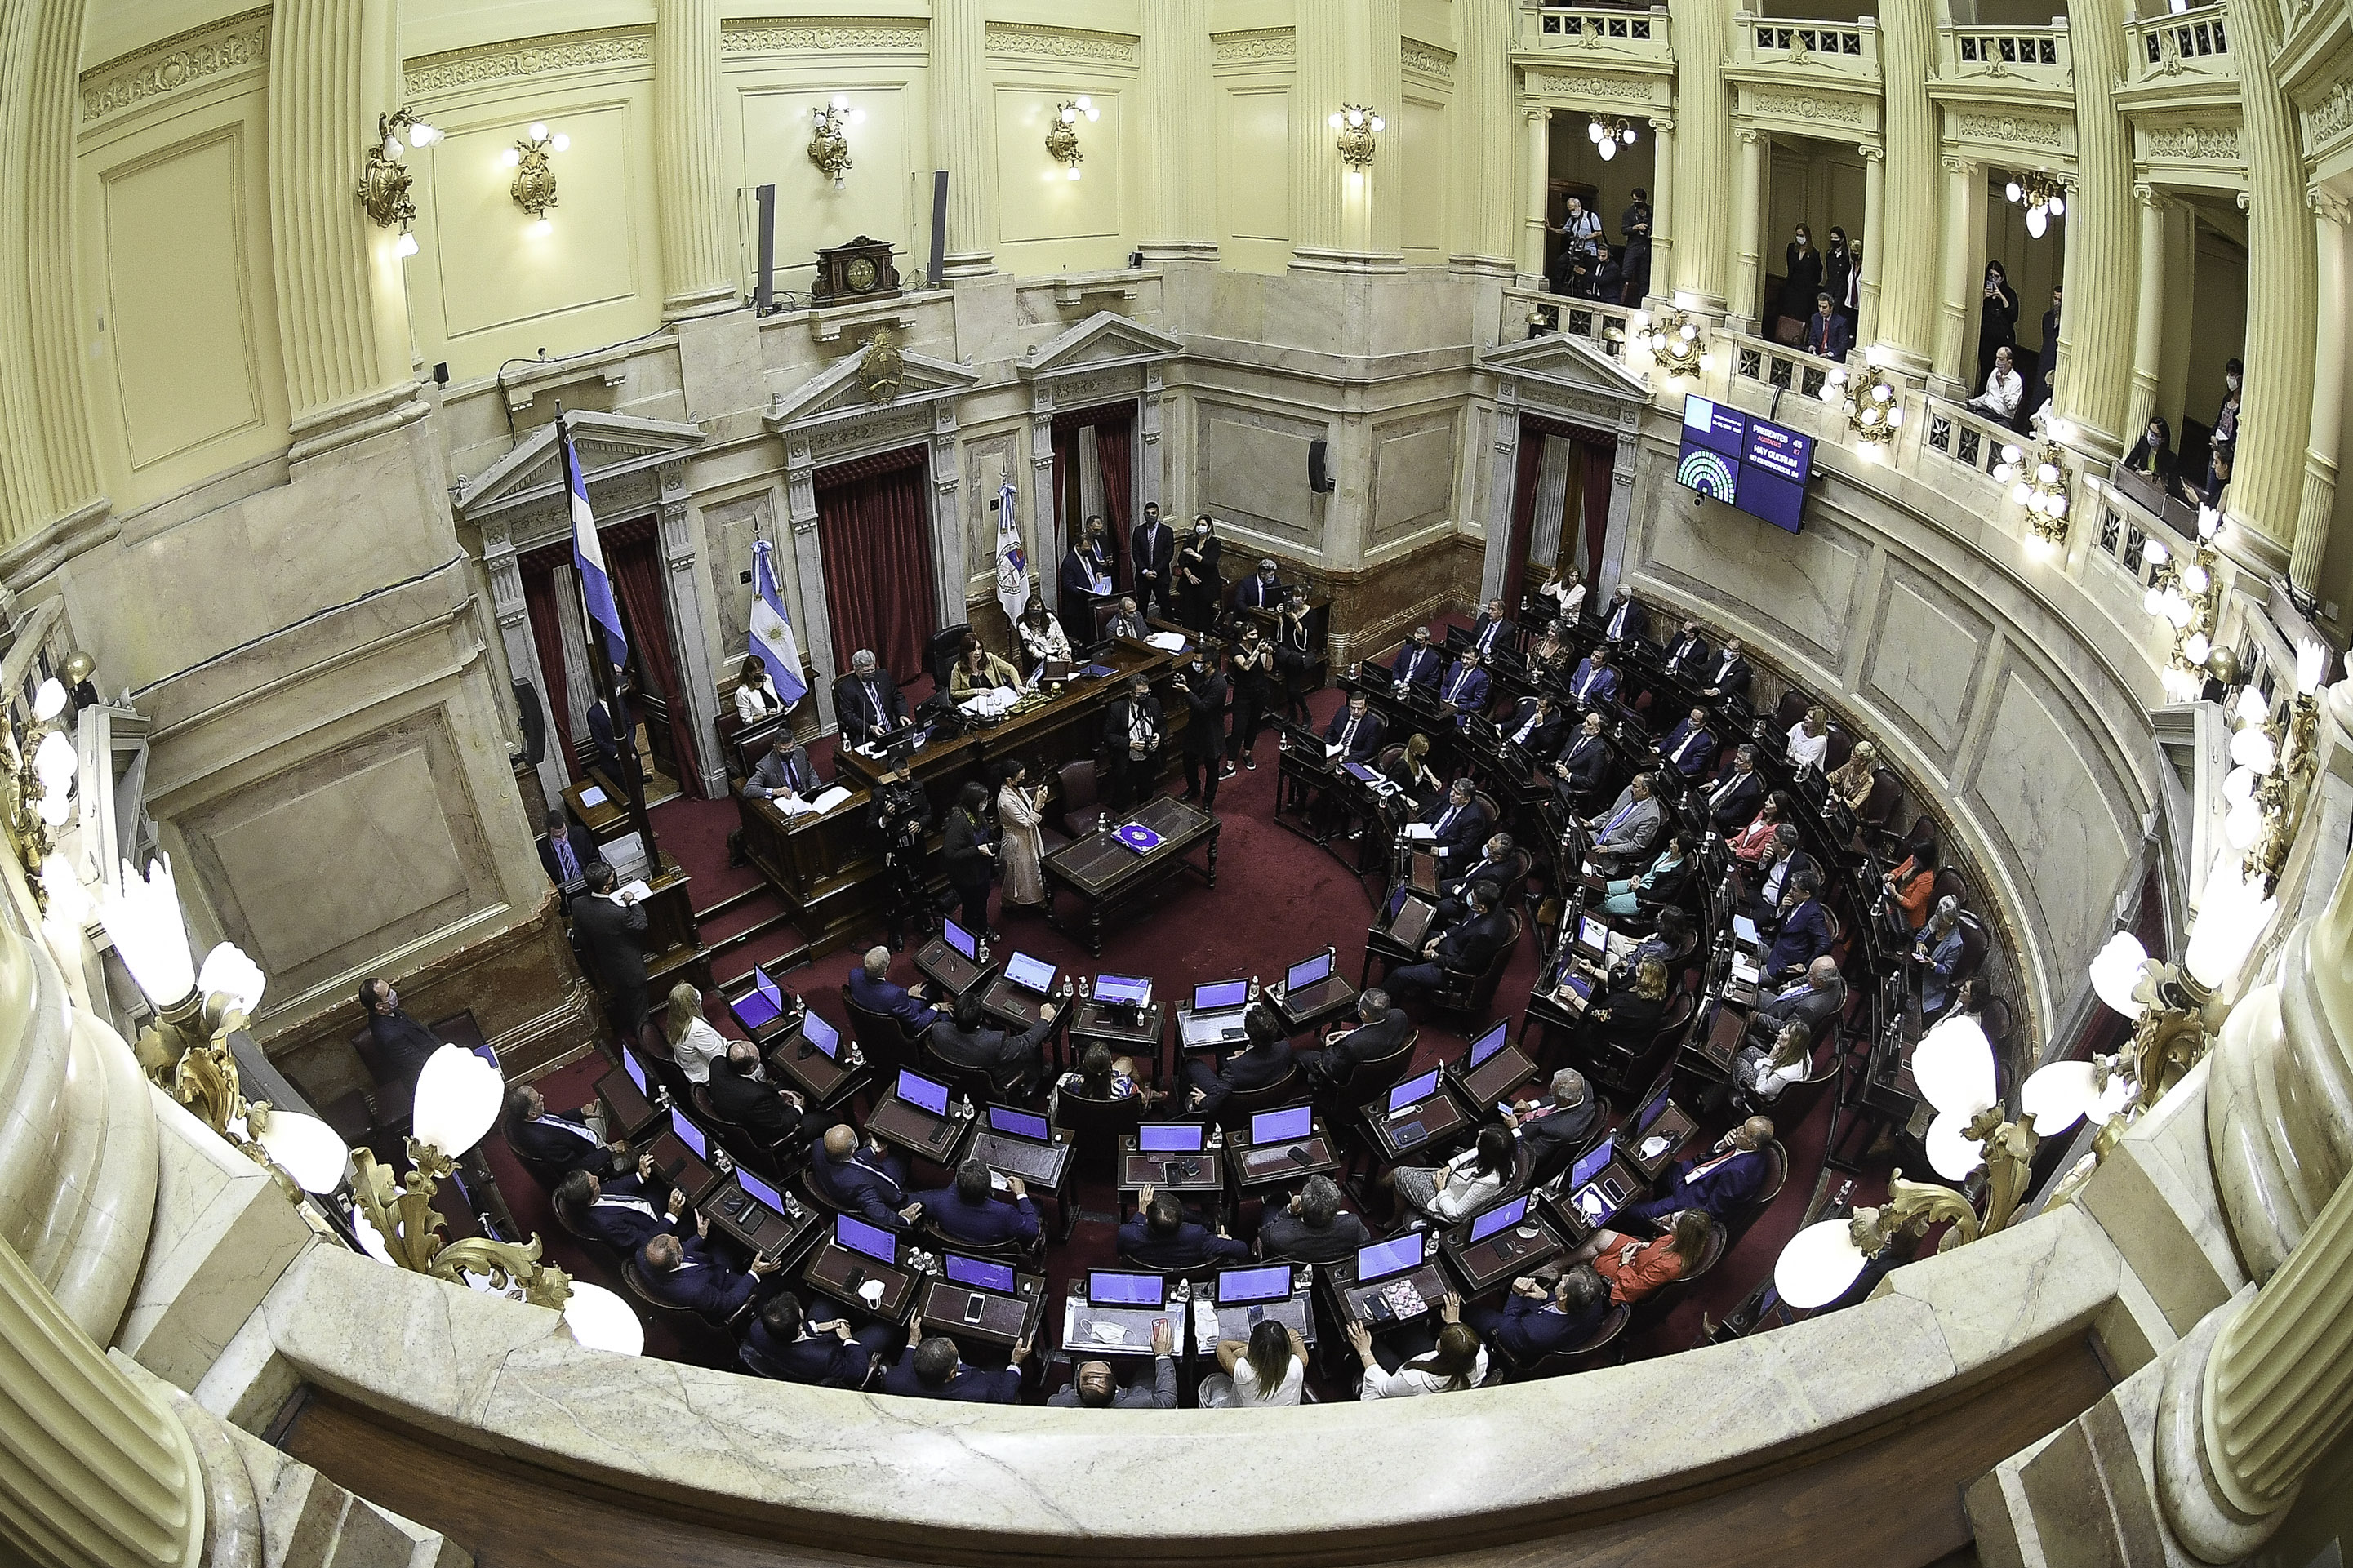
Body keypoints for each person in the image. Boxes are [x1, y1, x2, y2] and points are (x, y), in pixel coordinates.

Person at [1620, 1120, 1775, 1228]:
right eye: (1743, 1125)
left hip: (1689, 1200)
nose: (1738, 1129)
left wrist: (1677, 1217)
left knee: (1633, 1211)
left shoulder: (1739, 1174)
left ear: (1753, 1144)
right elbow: (1709, 1157)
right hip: (1689, 1175)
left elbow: (1713, 1212)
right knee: (1650, 1162)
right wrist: (1722, 1144)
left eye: (1743, 1131)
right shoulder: (1745, 1145)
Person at [741, 1291, 896, 1389]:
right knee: (888, 1327)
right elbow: (858, 1372)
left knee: (829, 1296)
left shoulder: (757, 1328)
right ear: (799, 1324)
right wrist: (848, 1339)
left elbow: (788, 1332)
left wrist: (817, 1327)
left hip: (803, 1346)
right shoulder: (825, 1358)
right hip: (841, 1354)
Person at [1387, 880, 1513, 1002]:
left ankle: (1380, 1005)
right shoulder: (1493, 904)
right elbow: (1464, 925)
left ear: (1481, 907)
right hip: (1454, 943)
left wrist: (1435, 956)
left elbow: (1464, 964)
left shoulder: (1484, 934)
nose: (1468, 896)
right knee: (1414, 932)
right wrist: (1440, 937)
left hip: (1450, 971)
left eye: (1472, 897)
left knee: (1400, 974)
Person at [571, 862, 652, 1039]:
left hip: (607, 969)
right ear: (607, 887)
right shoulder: (617, 914)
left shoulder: (578, 905)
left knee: (626, 1006)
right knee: (640, 1016)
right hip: (631, 971)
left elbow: (582, 939)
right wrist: (633, 901)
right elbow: (641, 923)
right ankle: (647, 1044)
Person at [928, 990, 1059, 1099]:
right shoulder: (994, 1043)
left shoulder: (938, 1030)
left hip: (959, 1075)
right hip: (995, 1081)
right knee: (1032, 1050)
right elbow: (1026, 1042)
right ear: (980, 1018)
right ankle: (1033, 1085)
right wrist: (1044, 1020)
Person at [1467, 1266, 1610, 1364]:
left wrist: (1516, 1293)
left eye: (1565, 1281)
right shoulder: (1593, 1300)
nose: (1564, 1276)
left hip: (1521, 1337)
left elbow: (1507, 1326)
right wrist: (1547, 1296)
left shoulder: (1535, 1332)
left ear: (1564, 1296)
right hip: (1558, 1326)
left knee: (1475, 1315)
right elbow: (1566, 1305)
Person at [1570, 1207, 1713, 1304]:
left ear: (1682, 1234)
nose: (1671, 1220)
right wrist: (1645, 1246)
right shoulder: (1682, 1241)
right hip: (1637, 1257)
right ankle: (1561, 1264)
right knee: (1602, 1236)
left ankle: (1562, 1266)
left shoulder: (1668, 1266)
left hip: (1628, 1276)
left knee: (1594, 1257)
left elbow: (1634, 1288)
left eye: (1674, 1222)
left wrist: (1625, 1263)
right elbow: (1655, 1246)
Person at [707, 1040, 830, 1150]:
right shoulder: (755, 1097)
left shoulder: (717, 1063)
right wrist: (797, 1108)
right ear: (751, 1069)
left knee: (786, 1083)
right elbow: (780, 1127)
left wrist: (776, 1096)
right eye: (758, 1058)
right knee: (827, 1117)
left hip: (739, 1106)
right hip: (763, 1132)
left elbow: (755, 1092)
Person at [1183, 1002, 1297, 1119]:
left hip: (1236, 1102)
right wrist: (1247, 1054)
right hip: (1266, 1088)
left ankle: (1182, 1108)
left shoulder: (1234, 1068)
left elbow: (1210, 1105)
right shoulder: (1285, 1048)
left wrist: (1204, 1100)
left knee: (1192, 1064)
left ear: (1247, 1031)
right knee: (1223, 1054)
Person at [1349, 1304, 1487, 1398]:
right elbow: (1461, 1347)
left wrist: (1365, 1351)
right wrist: (1454, 1324)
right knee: (1411, 1329)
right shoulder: (1481, 1356)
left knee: (1373, 1345)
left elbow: (1381, 1387)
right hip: (1428, 1369)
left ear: (1439, 1348)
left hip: (1399, 1388)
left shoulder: (1414, 1380)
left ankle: (1352, 1365)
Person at [1386, 1123, 1515, 1224]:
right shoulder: (1503, 1157)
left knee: (1398, 1173)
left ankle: (1376, 1188)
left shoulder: (1488, 1182)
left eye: (1482, 1136)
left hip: (1443, 1200)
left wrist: (1441, 1190)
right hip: (1452, 1180)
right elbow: (1476, 1151)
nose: (1479, 1132)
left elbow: (1456, 1213)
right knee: (1400, 1184)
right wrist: (1449, 1167)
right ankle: (1395, 1219)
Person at [638, 1228, 778, 1319]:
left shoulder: (643, 1256)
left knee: (724, 1240)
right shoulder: (696, 1291)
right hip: (722, 1288)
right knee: (772, 1282)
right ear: (677, 1262)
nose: (676, 1237)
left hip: (707, 1268)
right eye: (677, 1243)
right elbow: (728, 1303)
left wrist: (699, 1237)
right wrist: (753, 1273)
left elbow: (676, 1253)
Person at [869, 758, 934, 949]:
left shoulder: (917, 787)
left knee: (918, 887)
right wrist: (885, 818)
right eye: (902, 777)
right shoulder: (880, 794)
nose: (907, 779)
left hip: (914, 846)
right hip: (892, 849)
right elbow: (871, 825)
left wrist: (919, 823)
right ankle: (896, 931)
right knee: (894, 894)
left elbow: (928, 813)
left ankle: (922, 921)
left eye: (908, 775)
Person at [554, 1158, 683, 1255]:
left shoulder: (589, 1195)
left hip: (646, 1202)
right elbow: (644, 1241)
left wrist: (640, 1176)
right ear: (590, 1200)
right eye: (594, 1183)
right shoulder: (608, 1226)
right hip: (655, 1225)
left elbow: (616, 1186)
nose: (597, 1178)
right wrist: (671, 1216)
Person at [885, 1317, 1029, 1403]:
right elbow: (1004, 1398)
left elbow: (904, 1368)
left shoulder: (894, 1380)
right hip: (986, 1376)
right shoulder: (979, 1392)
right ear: (952, 1374)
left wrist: (912, 1341)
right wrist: (1015, 1362)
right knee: (998, 1366)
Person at [810, 1125, 924, 1233]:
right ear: (853, 1150)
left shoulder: (818, 1146)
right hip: (891, 1194)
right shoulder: (861, 1189)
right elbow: (883, 1218)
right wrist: (905, 1220)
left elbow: (846, 1160)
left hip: (867, 1176)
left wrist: (872, 1149)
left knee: (900, 1142)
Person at [913, 1157, 1040, 1249]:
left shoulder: (939, 1201)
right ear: (989, 1189)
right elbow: (1032, 1231)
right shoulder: (1006, 1213)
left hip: (958, 1241)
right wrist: (1021, 1194)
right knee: (1036, 1204)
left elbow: (908, 1201)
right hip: (993, 1247)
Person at [1050, 1320, 1177, 1408]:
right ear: (1117, 1387)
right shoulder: (1142, 1401)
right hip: (1133, 1399)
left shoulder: (1058, 1403)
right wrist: (1163, 1355)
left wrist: (1066, 1390)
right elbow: (1168, 1399)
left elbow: (1065, 1388)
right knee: (1149, 1372)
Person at [504, 1083, 623, 1177]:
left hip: (581, 1135)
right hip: (594, 1155)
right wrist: (610, 1149)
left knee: (606, 1098)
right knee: (631, 1149)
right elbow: (579, 1167)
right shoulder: (546, 1144)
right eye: (538, 1099)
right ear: (532, 1113)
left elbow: (557, 1121)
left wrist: (581, 1112)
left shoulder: (522, 1115)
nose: (542, 1096)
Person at [1503, 1068, 1601, 1179]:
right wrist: (1531, 1105)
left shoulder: (1558, 1131)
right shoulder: (1584, 1087)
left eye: (1552, 1093)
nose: (1549, 1093)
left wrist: (1514, 1129)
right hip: (1534, 1118)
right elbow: (1555, 1098)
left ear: (1565, 1101)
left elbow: (1531, 1155)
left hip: (1517, 1145)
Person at [1119, 1188, 1249, 1268]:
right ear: (1182, 1221)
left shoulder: (1127, 1234)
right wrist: (1223, 1240)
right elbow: (1242, 1249)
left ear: (1147, 1219)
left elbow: (1121, 1253)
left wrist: (1140, 1214)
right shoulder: (1196, 1235)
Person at [1257, 1174, 1373, 1264]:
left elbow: (1264, 1233)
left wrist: (1289, 1210)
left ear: (1302, 1208)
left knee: (1272, 1204)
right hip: (1328, 1269)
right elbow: (1366, 1247)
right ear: (1335, 1210)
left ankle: (1279, 1197)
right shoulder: (1353, 1225)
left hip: (1296, 1268)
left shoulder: (1277, 1235)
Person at [1198, 1318, 1307, 1407]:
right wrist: (1276, 1345)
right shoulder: (1298, 1364)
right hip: (1281, 1421)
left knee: (1213, 1381)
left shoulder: (1242, 1370)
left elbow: (1222, 1346)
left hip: (1239, 1419)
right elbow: (1295, 1336)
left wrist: (1250, 1349)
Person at [358, 976, 441, 1090]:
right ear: (379, 1006)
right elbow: (420, 1063)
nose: (394, 993)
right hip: (429, 1080)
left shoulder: (387, 1010)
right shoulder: (390, 1037)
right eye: (388, 993)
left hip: (436, 1055)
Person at [940, 781, 999, 939]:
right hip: (966, 876)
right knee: (971, 907)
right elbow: (950, 853)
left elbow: (984, 832)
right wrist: (977, 850)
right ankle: (971, 936)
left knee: (982, 901)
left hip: (981, 870)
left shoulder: (976, 813)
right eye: (983, 801)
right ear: (973, 802)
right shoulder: (959, 823)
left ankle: (983, 927)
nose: (985, 804)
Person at [1749, 956, 1847, 1049]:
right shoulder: (1832, 972)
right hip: (1786, 1001)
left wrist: (1759, 1017)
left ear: (1820, 982)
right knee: (1751, 993)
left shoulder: (1809, 1007)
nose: (1807, 975)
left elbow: (1786, 1029)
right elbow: (1806, 978)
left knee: (1744, 1006)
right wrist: (1790, 984)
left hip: (1776, 1021)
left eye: (1811, 974)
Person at [1584, 956, 1670, 1061]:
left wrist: (1575, 998)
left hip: (1607, 1036)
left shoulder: (1633, 1006)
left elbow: (1601, 1017)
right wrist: (1592, 970)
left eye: (1639, 970)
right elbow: (1617, 980)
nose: (1634, 969)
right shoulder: (1648, 987)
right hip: (1612, 1014)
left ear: (1645, 979)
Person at [1174, 651, 1230, 806]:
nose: (1195, 663)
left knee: (1211, 768)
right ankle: (1193, 789)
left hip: (1211, 731)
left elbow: (1203, 707)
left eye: (1197, 661)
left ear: (1209, 663)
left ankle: (1208, 801)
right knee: (1188, 760)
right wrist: (1187, 684)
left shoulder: (1219, 683)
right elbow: (1197, 691)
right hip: (1195, 727)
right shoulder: (1201, 676)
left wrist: (1186, 691)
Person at [847, 946, 944, 1033]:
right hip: (896, 1029)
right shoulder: (895, 996)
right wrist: (936, 1007)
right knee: (933, 990)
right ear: (885, 971)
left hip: (871, 1016)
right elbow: (918, 1024)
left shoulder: (854, 974)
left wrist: (906, 993)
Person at [1102, 675, 1164, 810]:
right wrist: (1129, 744)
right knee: (1121, 798)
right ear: (1131, 693)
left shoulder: (1154, 703)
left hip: (1149, 760)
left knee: (1146, 795)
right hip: (1128, 763)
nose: (1145, 697)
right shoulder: (1117, 709)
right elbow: (1108, 735)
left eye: (1147, 693)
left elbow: (1162, 726)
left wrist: (1158, 736)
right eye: (1141, 694)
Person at [994, 762, 1049, 914]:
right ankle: (1012, 902)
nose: (1023, 780)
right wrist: (1038, 804)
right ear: (1009, 780)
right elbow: (1027, 823)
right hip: (1017, 842)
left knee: (1034, 869)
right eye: (1020, 778)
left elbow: (1029, 809)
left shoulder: (1019, 789)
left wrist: (1038, 799)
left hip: (1029, 836)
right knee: (1020, 875)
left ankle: (1038, 898)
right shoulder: (1005, 801)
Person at [1431, 833, 1516, 926]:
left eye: (1489, 848)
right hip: (1466, 881)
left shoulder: (1495, 876)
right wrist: (1474, 866)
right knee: (1433, 887)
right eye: (1489, 843)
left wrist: (1460, 892)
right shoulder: (1498, 857)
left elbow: (1478, 899)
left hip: (1466, 901)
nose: (1486, 847)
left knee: (1436, 907)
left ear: (1497, 857)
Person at [1764, 872, 1833, 983]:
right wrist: (1782, 908)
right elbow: (1783, 928)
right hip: (1774, 947)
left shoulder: (1813, 914)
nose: (1790, 892)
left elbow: (1825, 943)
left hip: (1783, 964)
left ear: (1806, 894)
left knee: (1747, 973)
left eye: (1794, 890)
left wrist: (1806, 966)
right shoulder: (1794, 900)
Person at [832, 649, 910, 747]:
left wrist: (902, 714)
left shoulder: (883, 675)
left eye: (872, 670)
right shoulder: (846, 688)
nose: (870, 673)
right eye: (866, 671)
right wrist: (869, 728)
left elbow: (897, 696)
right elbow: (848, 715)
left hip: (891, 725)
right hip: (868, 734)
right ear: (856, 670)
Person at [1586, 773, 1663, 869]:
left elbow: (1636, 846)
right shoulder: (1629, 791)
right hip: (1597, 836)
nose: (1631, 788)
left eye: (1635, 786)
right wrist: (1591, 823)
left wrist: (1609, 849)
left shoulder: (1651, 816)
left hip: (1609, 855)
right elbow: (1613, 812)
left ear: (1645, 791)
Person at [1600, 833, 1687, 918]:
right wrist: (1637, 874)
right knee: (1604, 888)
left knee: (1610, 904)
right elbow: (1648, 862)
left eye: (1674, 843)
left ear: (1680, 851)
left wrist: (1638, 890)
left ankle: (1599, 916)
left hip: (1643, 897)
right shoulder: (1667, 852)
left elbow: (1660, 894)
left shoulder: (1678, 872)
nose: (1670, 841)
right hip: (1637, 882)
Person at [1227, 621, 1276, 771]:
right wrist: (1257, 652)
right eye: (1252, 634)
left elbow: (1268, 668)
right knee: (1238, 728)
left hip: (1260, 693)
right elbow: (1246, 666)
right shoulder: (1236, 650)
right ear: (1244, 636)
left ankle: (1247, 753)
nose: (1256, 636)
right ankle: (1230, 763)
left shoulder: (1259, 649)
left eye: (1256, 634)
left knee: (1253, 724)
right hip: (1243, 695)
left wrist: (1268, 653)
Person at [1056, 1042, 1163, 1108]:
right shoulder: (1124, 1086)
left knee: (1126, 1062)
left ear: (1084, 1064)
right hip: (1115, 1127)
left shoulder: (1065, 1080)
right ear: (1111, 1065)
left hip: (1080, 1124)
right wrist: (1141, 1095)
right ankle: (1146, 1092)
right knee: (1127, 1063)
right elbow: (1140, 1104)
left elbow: (1054, 1109)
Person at [1750, 824, 1812, 935]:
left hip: (1771, 907)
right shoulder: (1773, 851)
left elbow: (1797, 894)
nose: (1770, 841)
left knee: (1748, 923)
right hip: (1758, 893)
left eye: (1775, 840)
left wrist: (1781, 909)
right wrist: (1764, 861)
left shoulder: (1800, 865)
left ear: (1784, 847)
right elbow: (1758, 876)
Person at [661, 982, 727, 1084]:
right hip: (710, 1077)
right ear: (693, 1003)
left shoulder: (675, 1020)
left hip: (694, 1071)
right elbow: (719, 1060)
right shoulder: (697, 1031)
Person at [1417, 778, 1490, 870]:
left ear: (1466, 799)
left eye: (1457, 794)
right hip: (1427, 838)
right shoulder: (1449, 795)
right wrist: (1427, 826)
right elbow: (1433, 811)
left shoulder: (1474, 818)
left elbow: (1464, 847)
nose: (1452, 794)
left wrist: (1440, 851)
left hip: (1445, 856)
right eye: (1453, 789)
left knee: (1419, 867)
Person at [1736, 1020, 1813, 1104]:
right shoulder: (1802, 1050)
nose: (1780, 1031)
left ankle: (1736, 1093)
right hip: (1773, 1073)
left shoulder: (1782, 1075)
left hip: (1764, 1093)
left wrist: (1770, 1058)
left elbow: (1760, 1089)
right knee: (1751, 1051)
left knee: (1738, 1063)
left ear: (1793, 1042)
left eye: (1785, 1032)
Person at [1059, 516, 1115, 629]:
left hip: (1095, 599)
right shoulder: (1069, 563)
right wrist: (1087, 594)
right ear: (1078, 546)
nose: (1087, 552)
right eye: (1085, 550)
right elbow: (1069, 586)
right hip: (1080, 605)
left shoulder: (1089, 552)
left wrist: (1099, 571)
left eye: (1089, 549)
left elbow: (1097, 565)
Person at [1915, 896, 1967, 1017]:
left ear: (1951, 921)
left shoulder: (1955, 943)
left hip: (1930, 982)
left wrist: (1933, 965)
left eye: (1942, 920)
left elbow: (1947, 970)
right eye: (1938, 917)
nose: (1939, 921)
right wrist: (1919, 942)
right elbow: (1921, 934)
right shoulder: (1936, 920)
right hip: (1915, 967)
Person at [1272, 586, 1315, 723]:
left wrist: (1295, 618)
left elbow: (1305, 636)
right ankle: (1292, 712)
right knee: (1289, 686)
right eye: (1293, 596)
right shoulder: (1288, 609)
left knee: (1293, 688)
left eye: (1298, 597)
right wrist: (1280, 616)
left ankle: (1306, 713)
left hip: (1299, 654)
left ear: (1305, 598)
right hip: (1287, 653)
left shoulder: (1311, 613)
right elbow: (1282, 634)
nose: (1294, 599)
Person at [1882, 839, 1941, 938]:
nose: (1912, 858)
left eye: (1916, 858)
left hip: (1906, 919)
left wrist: (1895, 894)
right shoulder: (1913, 859)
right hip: (1894, 902)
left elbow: (1911, 905)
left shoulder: (1927, 880)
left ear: (1923, 861)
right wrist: (1891, 876)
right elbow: (1899, 870)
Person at [744, 732, 822, 806]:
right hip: (787, 803)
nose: (788, 753)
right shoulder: (766, 766)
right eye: (783, 750)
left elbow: (810, 772)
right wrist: (776, 791)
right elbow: (748, 789)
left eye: (791, 748)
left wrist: (814, 787)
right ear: (775, 748)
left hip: (806, 797)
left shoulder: (800, 752)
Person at [1128, 501, 1175, 620]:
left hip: (1161, 576)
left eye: (1153, 513)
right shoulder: (1138, 531)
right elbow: (1136, 553)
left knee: (1165, 606)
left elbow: (1169, 555)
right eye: (1148, 513)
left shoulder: (1167, 531)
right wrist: (1145, 571)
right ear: (1144, 514)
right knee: (1142, 607)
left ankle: (1167, 629)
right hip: (1143, 577)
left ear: (1158, 514)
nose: (1151, 516)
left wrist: (1155, 571)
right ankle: (1141, 628)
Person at [1176, 515, 1223, 633]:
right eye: (1198, 524)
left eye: (1203, 525)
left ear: (1209, 527)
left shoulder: (1215, 544)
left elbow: (1211, 563)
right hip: (1189, 583)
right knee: (1188, 615)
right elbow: (1181, 560)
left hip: (1206, 585)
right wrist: (1189, 575)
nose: (1200, 527)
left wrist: (1195, 555)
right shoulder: (1191, 540)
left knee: (1204, 617)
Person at [585, 681, 637, 787]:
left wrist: (628, 748)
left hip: (632, 755)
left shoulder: (620, 703)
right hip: (613, 764)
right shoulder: (593, 714)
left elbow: (630, 726)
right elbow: (599, 741)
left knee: (638, 784)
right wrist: (619, 753)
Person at [1777, 224, 1823, 342]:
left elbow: (1818, 275)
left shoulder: (1814, 254)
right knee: (1788, 315)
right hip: (1791, 288)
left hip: (1805, 293)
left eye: (1802, 235)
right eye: (1798, 235)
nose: (1800, 238)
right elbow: (1790, 266)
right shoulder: (1791, 249)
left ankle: (1798, 340)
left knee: (1801, 317)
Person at [1549, 194, 1604, 293]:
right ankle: (1556, 288)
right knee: (1561, 262)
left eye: (1573, 209)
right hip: (1574, 249)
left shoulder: (1591, 216)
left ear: (1579, 206)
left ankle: (1587, 291)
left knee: (1587, 272)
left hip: (1588, 249)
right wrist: (1550, 228)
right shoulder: (1572, 219)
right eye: (1570, 210)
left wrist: (1585, 238)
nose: (1572, 212)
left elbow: (1599, 232)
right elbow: (1564, 230)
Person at [537, 807, 601, 894]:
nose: (562, 838)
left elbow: (594, 857)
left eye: (564, 833)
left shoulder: (580, 833)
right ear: (550, 832)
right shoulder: (543, 847)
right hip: (564, 889)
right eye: (557, 836)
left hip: (586, 881)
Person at [1553, 713, 1611, 805]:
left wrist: (1568, 775)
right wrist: (1559, 761)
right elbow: (1567, 748)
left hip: (1571, 787)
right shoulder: (1578, 729)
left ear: (1596, 730)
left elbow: (1591, 782)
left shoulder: (1598, 750)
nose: (1583, 724)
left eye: (1588, 723)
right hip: (1556, 775)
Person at [1977, 260, 2019, 389]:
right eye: (1990, 275)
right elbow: (1976, 311)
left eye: (1996, 276)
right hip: (1987, 339)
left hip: (2003, 340)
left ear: (2002, 278)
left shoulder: (2009, 293)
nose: (1993, 279)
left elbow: (2013, 316)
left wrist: (2001, 297)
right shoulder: (1983, 290)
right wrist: (1983, 297)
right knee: (1986, 371)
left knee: (2001, 373)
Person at [1705, 745, 1766, 833]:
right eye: (1737, 757)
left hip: (1718, 819)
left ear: (1749, 765)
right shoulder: (1735, 767)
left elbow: (1732, 813)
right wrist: (1714, 783)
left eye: (1740, 760)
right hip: (1708, 800)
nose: (1735, 761)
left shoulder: (1750, 791)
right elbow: (1725, 770)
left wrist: (1712, 814)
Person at [948, 634, 1025, 701]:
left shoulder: (990, 658)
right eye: (973, 650)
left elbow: (1011, 669)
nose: (978, 653)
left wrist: (1018, 685)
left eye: (979, 648)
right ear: (966, 652)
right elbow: (954, 693)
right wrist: (976, 691)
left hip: (995, 699)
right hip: (973, 704)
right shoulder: (958, 667)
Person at [2207, 358, 2243, 501]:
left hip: (2225, 452)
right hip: (2215, 448)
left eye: (2232, 374)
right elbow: (2218, 422)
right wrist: (2212, 435)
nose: (2229, 378)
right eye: (2228, 374)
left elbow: (2236, 433)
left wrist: (2223, 445)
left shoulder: (2242, 405)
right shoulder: (2226, 399)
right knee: (2209, 487)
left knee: (2219, 493)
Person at [1384, 732, 1444, 814]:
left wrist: (1432, 777)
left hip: (1418, 790)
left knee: (1441, 803)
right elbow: (1388, 786)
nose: (1424, 754)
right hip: (1407, 796)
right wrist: (1406, 799)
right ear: (1415, 750)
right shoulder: (1401, 766)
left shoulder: (1416, 755)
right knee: (1433, 811)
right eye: (1423, 752)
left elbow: (1422, 762)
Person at [1324, 690, 1385, 764]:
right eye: (1353, 708)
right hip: (1333, 752)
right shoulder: (1342, 712)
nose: (1356, 712)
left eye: (1360, 709)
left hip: (1351, 759)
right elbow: (1329, 733)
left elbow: (1368, 752)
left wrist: (1346, 760)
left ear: (1366, 707)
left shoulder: (1373, 725)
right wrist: (1326, 747)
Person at [1968, 344, 2024, 424]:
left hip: (2003, 417)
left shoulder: (2016, 380)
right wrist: (1972, 402)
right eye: (1997, 358)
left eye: (2001, 359)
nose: (1997, 361)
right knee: (1976, 419)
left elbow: (2012, 406)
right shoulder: (1995, 372)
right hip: (1987, 410)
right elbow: (1987, 394)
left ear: (2009, 362)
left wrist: (2002, 386)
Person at [1502, 691, 1568, 758]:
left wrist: (1539, 725)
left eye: (1541, 707)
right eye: (1537, 704)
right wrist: (1500, 726)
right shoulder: (1531, 705)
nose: (1537, 708)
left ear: (1549, 709)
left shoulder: (1555, 721)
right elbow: (1516, 721)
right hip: (1510, 740)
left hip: (1523, 751)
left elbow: (1546, 744)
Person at [2123, 415, 2178, 494]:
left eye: (2155, 434)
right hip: (2140, 486)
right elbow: (2128, 462)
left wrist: (2162, 484)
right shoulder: (2143, 443)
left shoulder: (2171, 458)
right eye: (2150, 431)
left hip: (2156, 493)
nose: (2151, 436)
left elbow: (2173, 486)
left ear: (2163, 439)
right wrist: (2138, 472)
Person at [1436, 646, 1491, 724]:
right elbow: (1445, 685)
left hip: (1459, 713)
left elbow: (1479, 703)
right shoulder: (1455, 666)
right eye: (1463, 657)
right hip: (1442, 705)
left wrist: (1458, 707)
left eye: (1468, 659)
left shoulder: (1481, 678)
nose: (1464, 661)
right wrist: (1443, 699)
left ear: (1476, 660)